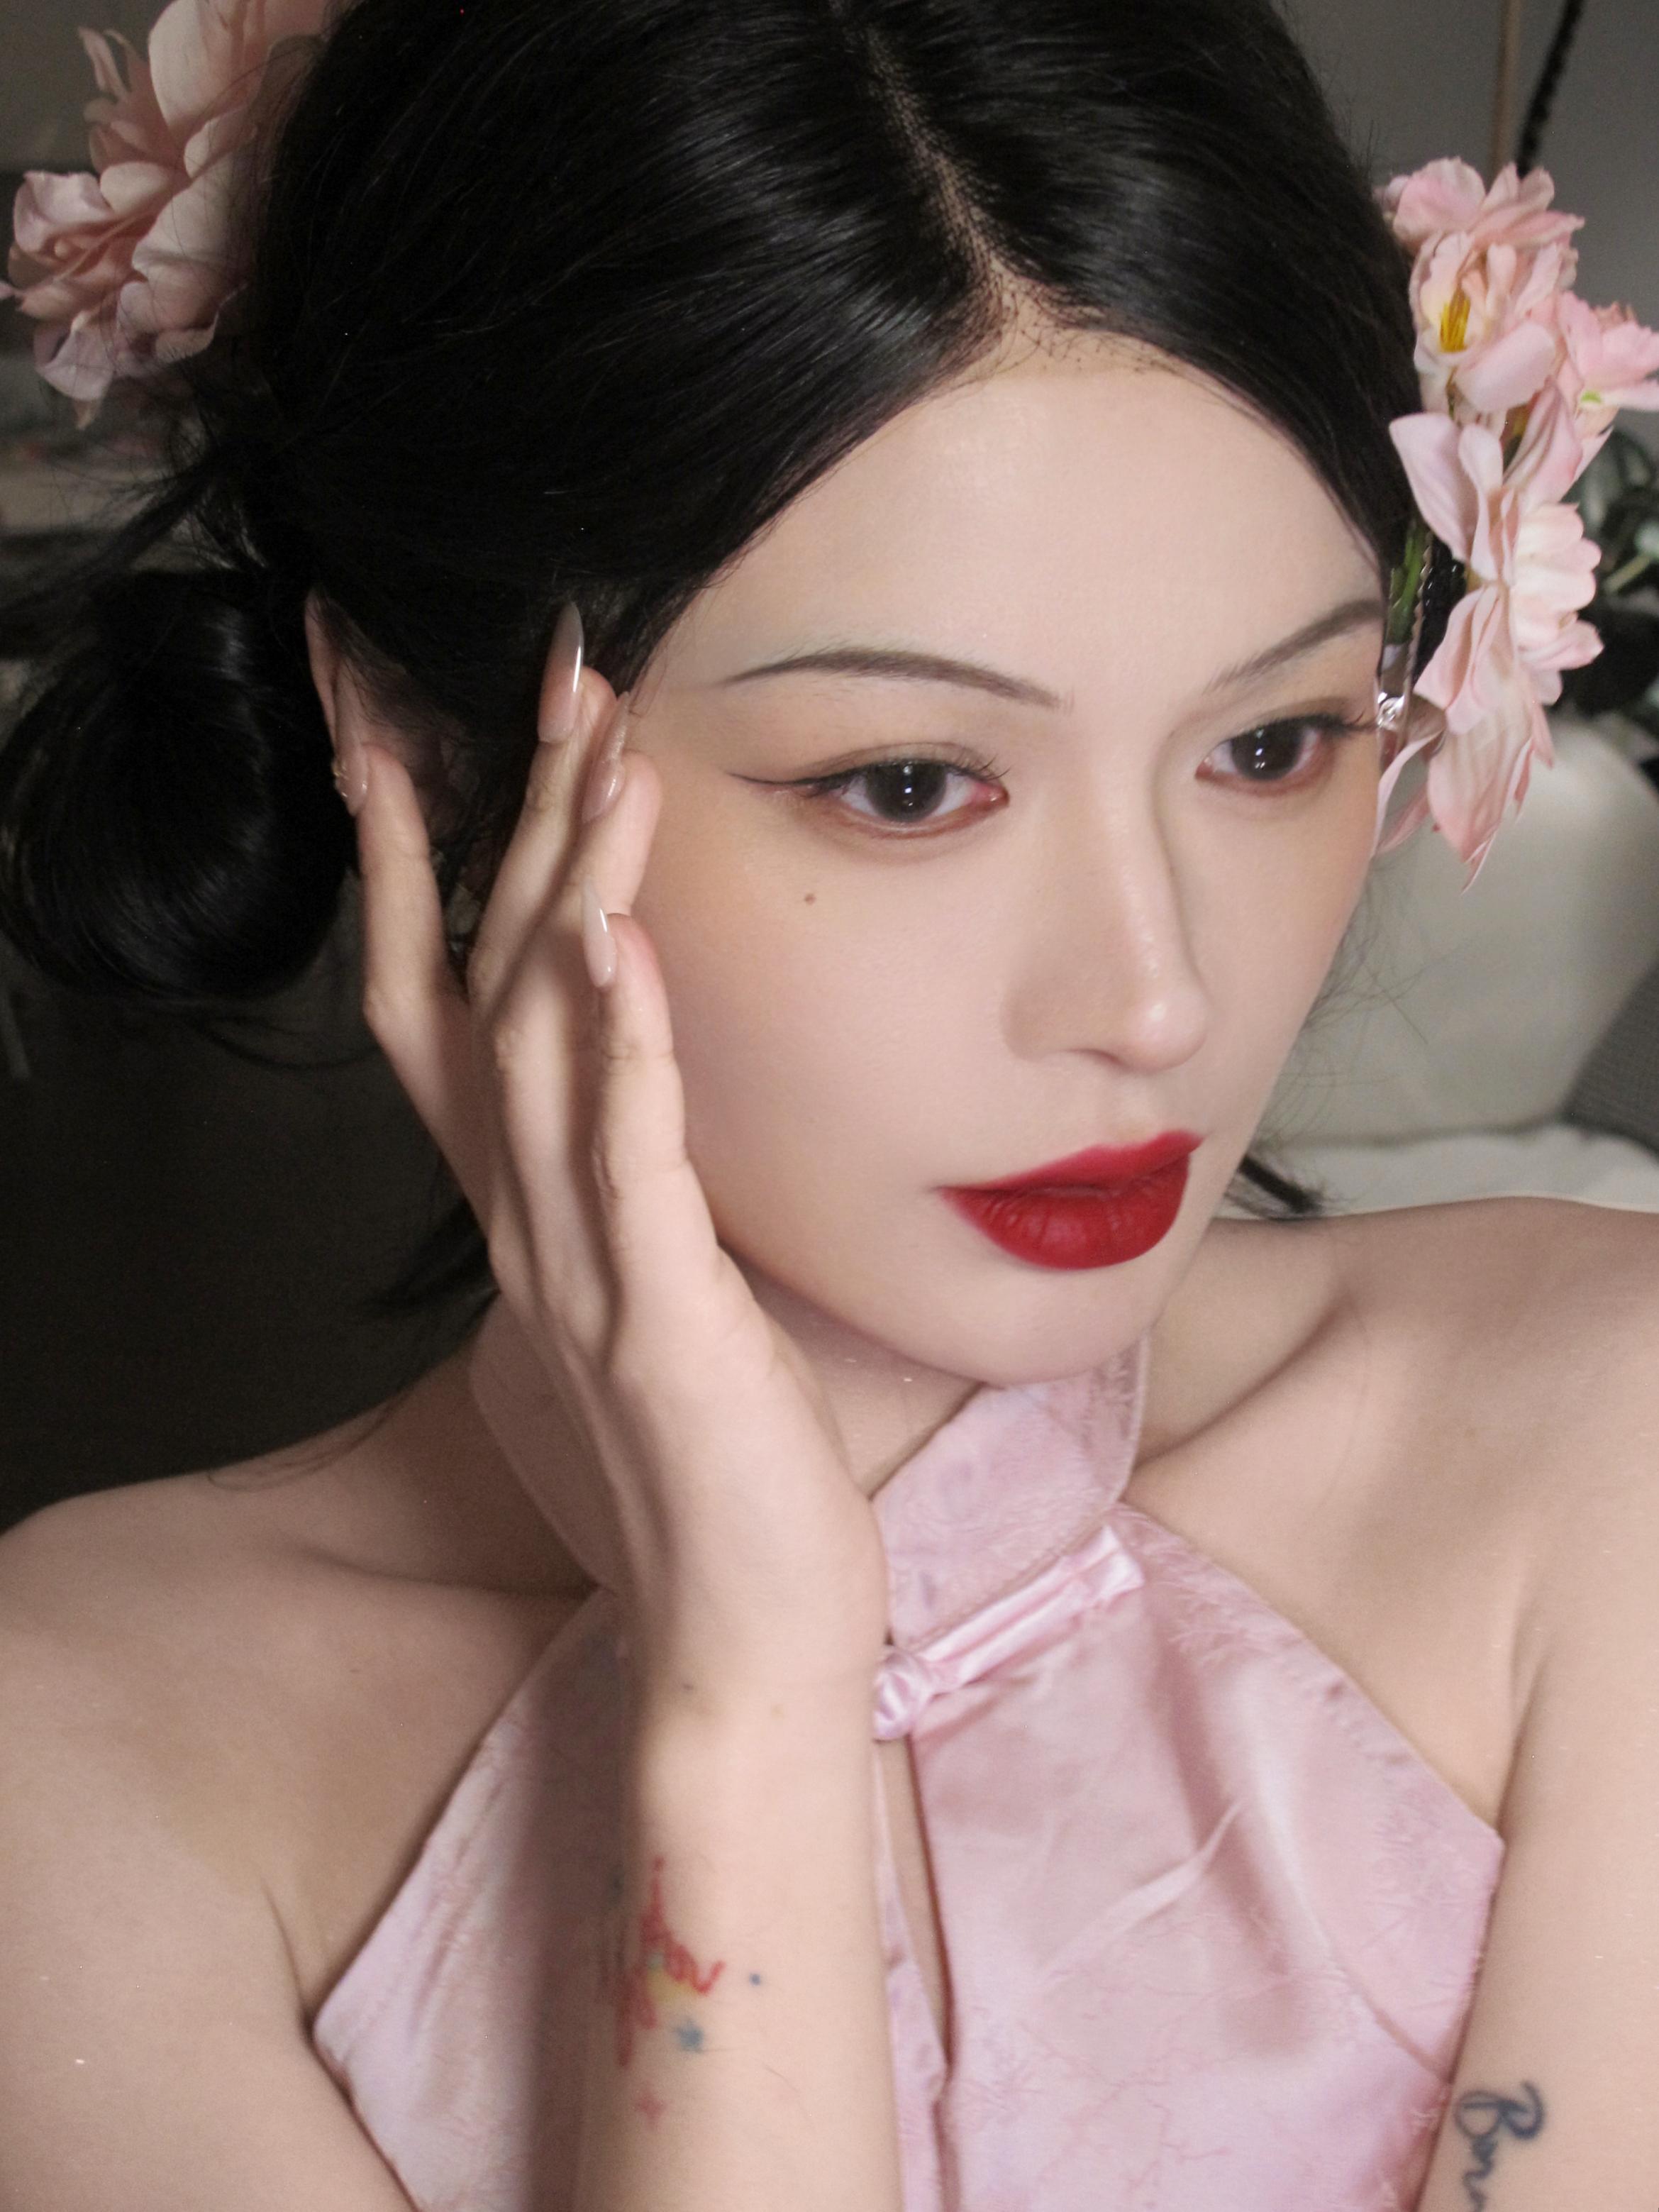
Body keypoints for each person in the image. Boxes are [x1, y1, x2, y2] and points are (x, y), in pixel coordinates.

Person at [1, 0, 1658, 2206]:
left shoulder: (1603, 1438)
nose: (1154, 996)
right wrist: (743, 1696)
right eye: (907, 784)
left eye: (1269, 745)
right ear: (410, 739)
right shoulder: (78, 1743)